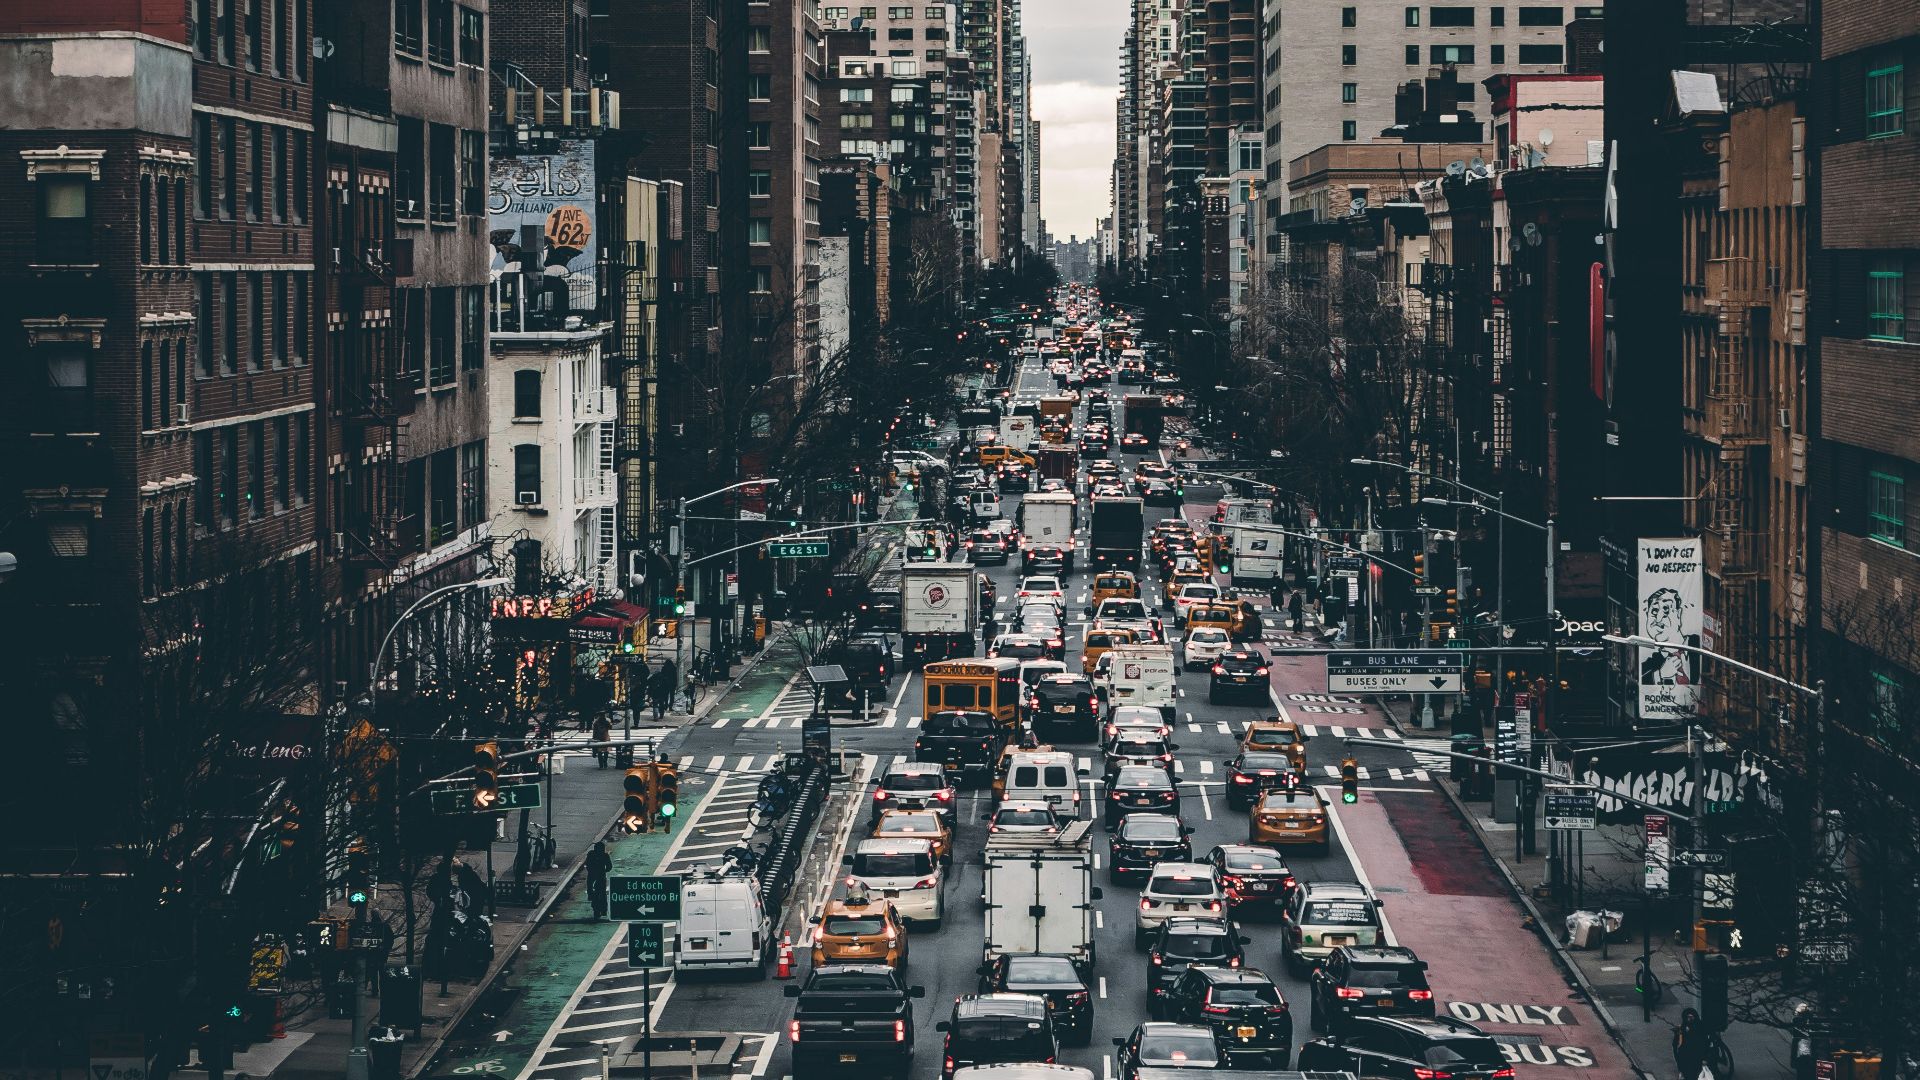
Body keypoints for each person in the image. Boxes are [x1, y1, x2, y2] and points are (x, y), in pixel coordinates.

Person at [1674, 1008, 1707, 1080]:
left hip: (1694, 1057)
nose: (1689, 1019)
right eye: (1688, 1017)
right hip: (1688, 1058)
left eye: (1691, 1017)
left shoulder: (1698, 1028)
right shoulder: (1684, 1028)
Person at [585, 841, 612, 921]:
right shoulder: (605, 855)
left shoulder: (591, 854)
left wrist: (590, 869)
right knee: (602, 892)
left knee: (592, 887)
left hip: (593, 874)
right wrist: (605, 870)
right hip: (600, 875)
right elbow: (609, 867)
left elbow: (587, 864)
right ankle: (603, 909)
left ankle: (591, 896)